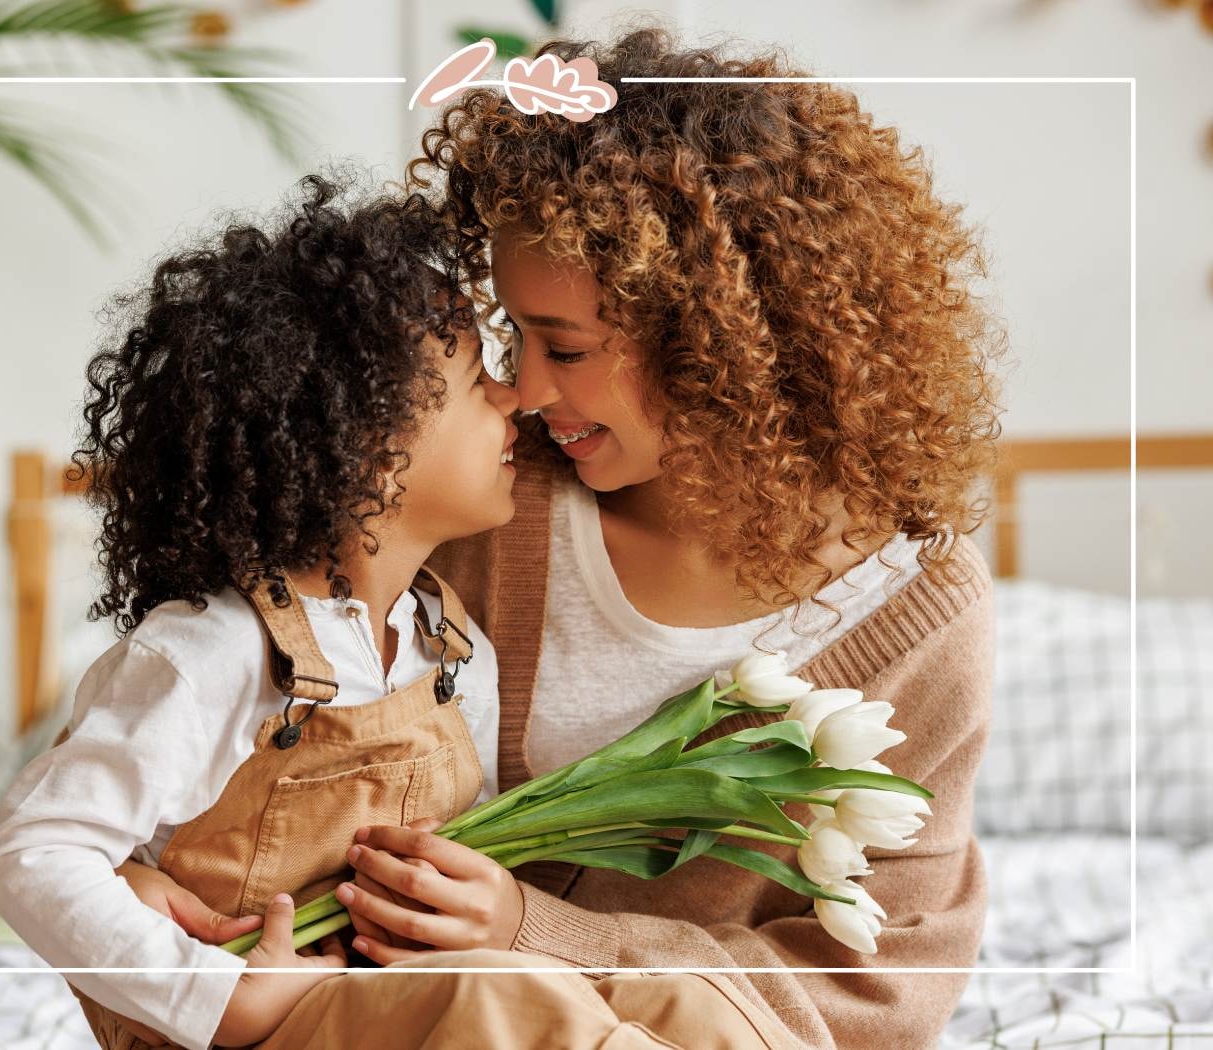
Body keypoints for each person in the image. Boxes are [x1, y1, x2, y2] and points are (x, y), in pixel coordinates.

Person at [114, 27, 1007, 1050]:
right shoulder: (475, 504)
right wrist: (127, 881)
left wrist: (537, 931)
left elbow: (880, 991)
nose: (526, 392)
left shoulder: (913, 611)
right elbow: (175, 726)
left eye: (567, 348)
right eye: (513, 337)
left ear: (725, 339)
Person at [0, 175, 522, 1050]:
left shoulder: (454, 653)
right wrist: (220, 999)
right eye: (475, 384)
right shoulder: (212, 652)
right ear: (370, 453)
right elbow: (34, 854)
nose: (515, 397)